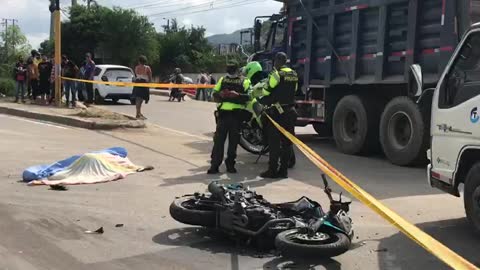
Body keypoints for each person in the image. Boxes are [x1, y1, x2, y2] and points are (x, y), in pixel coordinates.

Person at [257, 52, 298, 179]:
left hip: (276, 112)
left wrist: (262, 94)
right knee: (287, 143)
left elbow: (266, 90)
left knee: (274, 143)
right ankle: (283, 171)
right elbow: (294, 89)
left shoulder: (276, 74)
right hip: (290, 111)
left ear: (277, 61)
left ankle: (272, 170)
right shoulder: (293, 74)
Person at [207, 61, 251, 174]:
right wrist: (221, 95)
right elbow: (215, 94)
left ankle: (227, 165)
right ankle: (217, 166)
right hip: (225, 115)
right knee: (221, 142)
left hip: (234, 116)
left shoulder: (244, 81)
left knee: (230, 142)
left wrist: (237, 95)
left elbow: (249, 97)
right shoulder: (224, 80)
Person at [132, 55, 152, 119]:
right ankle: (138, 113)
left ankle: (138, 113)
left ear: (139, 61)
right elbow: (150, 77)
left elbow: (136, 75)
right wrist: (149, 84)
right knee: (141, 99)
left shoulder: (136, 68)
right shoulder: (147, 68)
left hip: (137, 83)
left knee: (138, 98)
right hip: (144, 83)